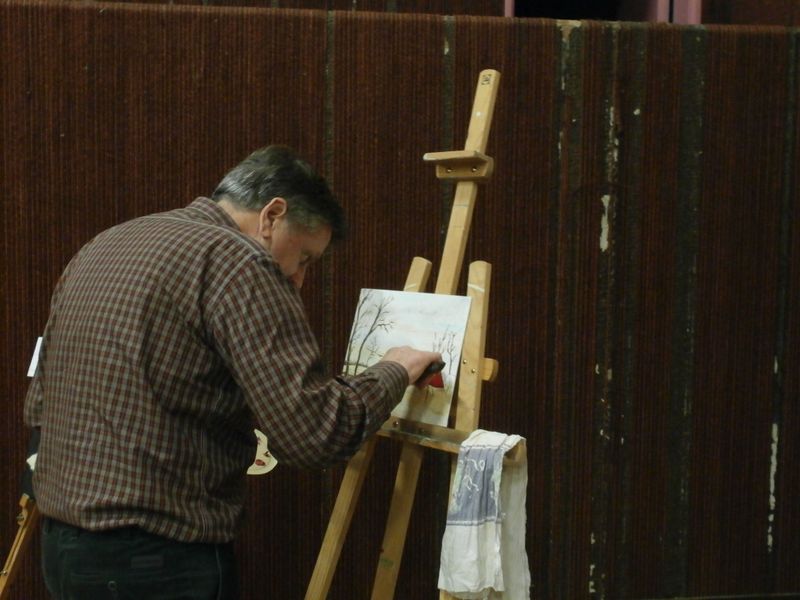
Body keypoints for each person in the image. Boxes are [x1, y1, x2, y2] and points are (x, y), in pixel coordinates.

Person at [23, 145, 442, 599]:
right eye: (304, 258)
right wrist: (395, 368)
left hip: (65, 550)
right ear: (272, 216)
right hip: (155, 561)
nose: (299, 279)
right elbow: (315, 433)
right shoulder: (238, 260)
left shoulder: (108, 243)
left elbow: (40, 403)